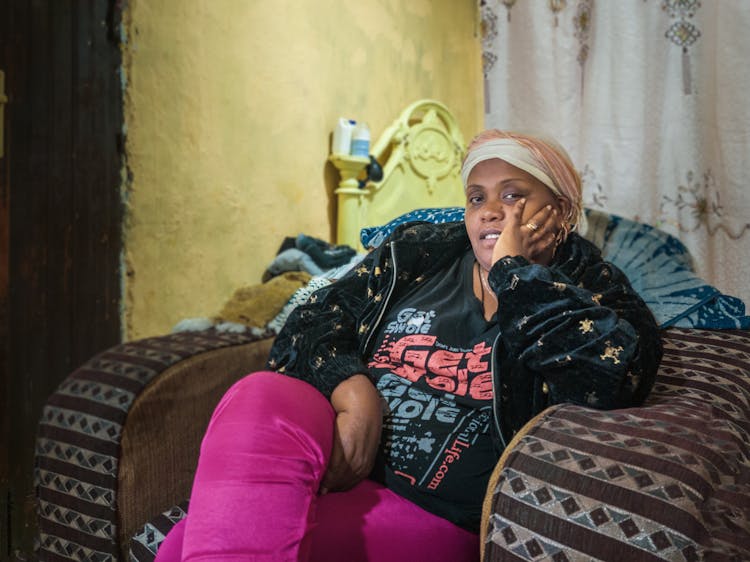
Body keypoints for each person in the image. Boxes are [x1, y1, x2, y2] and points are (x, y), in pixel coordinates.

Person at [155, 130, 662, 562]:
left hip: (435, 511)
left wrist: (515, 272)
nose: (489, 212)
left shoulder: (596, 290)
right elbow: (310, 320)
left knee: (182, 544)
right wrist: (355, 393)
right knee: (258, 392)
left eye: (512, 196)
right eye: (477, 197)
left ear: (562, 212)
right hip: (340, 457)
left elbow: (607, 382)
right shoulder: (420, 253)